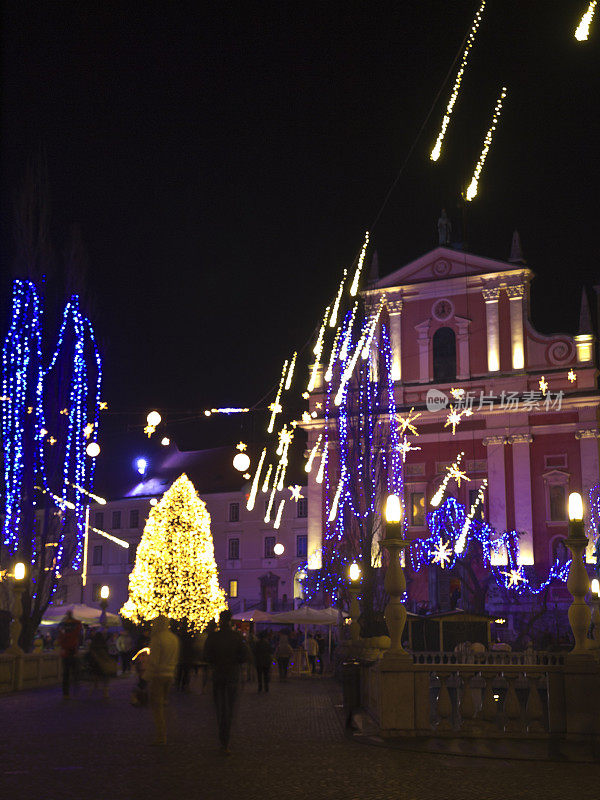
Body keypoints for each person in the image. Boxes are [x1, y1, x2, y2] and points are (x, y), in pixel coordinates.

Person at [204, 609, 247, 754]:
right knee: (230, 707)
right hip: (232, 675)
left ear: (220, 620)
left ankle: (222, 738)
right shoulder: (236, 636)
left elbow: (206, 656)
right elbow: (243, 656)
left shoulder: (213, 637)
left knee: (220, 708)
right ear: (230, 620)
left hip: (218, 675)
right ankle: (226, 740)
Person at [146, 615, 180, 745]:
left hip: (159, 675)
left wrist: (145, 678)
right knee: (165, 703)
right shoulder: (173, 638)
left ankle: (161, 735)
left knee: (157, 706)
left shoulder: (157, 639)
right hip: (170, 675)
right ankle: (169, 729)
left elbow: (154, 662)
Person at [57, 611, 82, 698]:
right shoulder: (76, 625)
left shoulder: (62, 626)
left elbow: (60, 638)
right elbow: (78, 628)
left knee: (66, 674)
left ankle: (66, 693)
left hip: (65, 652)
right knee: (75, 672)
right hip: (73, 651)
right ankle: (75, 690)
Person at [88, 629, 116, 698]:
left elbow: (90, 654)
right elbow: (107, 653)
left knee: (96, 675)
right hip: (103, 663)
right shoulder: (103, 645)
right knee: (105, 678)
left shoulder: (93, 645)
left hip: (95, 664)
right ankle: (105, 692)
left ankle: (94, 687)